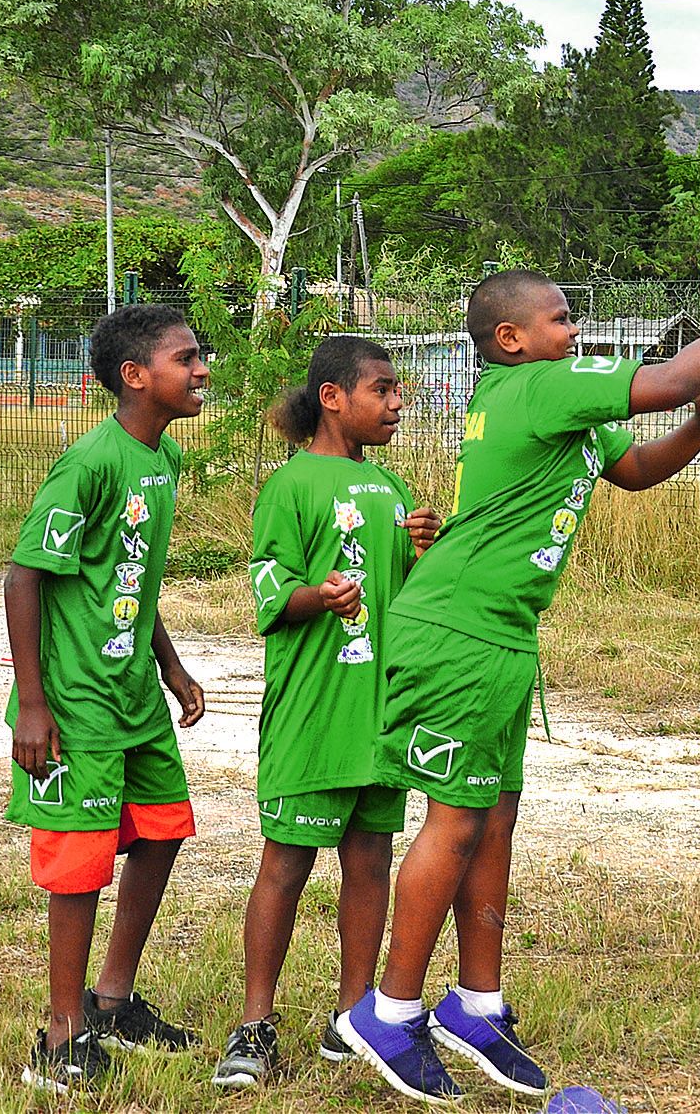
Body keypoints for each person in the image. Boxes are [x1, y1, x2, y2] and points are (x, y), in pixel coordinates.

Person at [337, 265, 700, 1104]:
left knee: (494, 816)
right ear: (510, 339)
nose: (574, 331)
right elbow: (668, 378)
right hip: (454, 629)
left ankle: (477, 1003)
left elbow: (635, 468)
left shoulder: (558, 407)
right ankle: (388, 1012)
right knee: (455, 820)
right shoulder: (534, 388)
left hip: (498, 636)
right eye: (561, 318)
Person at [213, 336, 442, 1089]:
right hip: (313, 710)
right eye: (382, 389)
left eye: (398, 390)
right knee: (285, 864)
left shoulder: (395, 487)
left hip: (380, 714)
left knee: (371, 859)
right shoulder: (292, 485)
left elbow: (407, 600)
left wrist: (424, 552)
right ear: (334, 396)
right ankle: (254, 1024)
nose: (397, 403)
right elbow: (270, 587)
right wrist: (318, 595)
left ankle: (355, 1017)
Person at [3, 304, 210, 1092]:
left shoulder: (164, 461)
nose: (200, 370)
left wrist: (172, 665)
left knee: (163, 829)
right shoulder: (90, 461)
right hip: (75, 701)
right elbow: (25, 576)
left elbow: (131, 575)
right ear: (135, 376)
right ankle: (62, 1033)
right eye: (186, 358)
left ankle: (113, 1001)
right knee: (81, 862)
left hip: (133, 695)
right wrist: (32, 702)